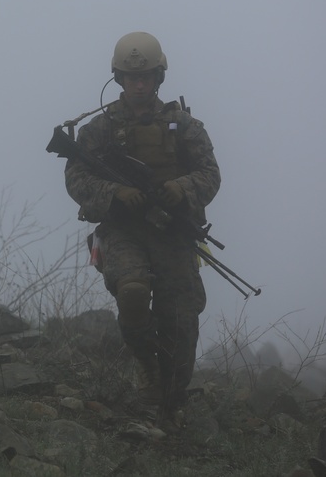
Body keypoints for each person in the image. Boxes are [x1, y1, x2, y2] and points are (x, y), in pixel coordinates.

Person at [63, 31, 220, 423]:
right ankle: (146, 370)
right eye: (132, 77)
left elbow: (210, 175)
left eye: (146, 76)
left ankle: (170, 397)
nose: (139, 84)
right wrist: (115, 191)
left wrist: (179, 188)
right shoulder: (98, 130)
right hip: (123, 231)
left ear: (158, 77)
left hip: (172, 233)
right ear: (118, 78)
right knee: (132, 292)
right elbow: (76, 179)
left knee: (180, 321)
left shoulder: (184, 126)